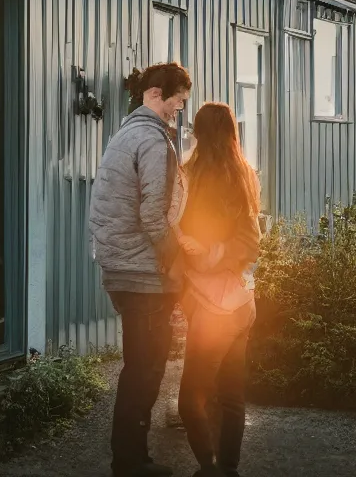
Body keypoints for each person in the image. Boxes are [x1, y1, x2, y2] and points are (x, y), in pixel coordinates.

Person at [89, 63, 192, 477]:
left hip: (121, 266)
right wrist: (179, 262)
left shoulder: (125, 133)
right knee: (144, 370)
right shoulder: (151, 139)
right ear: (155, 94)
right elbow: (154, 215)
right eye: (178, 101)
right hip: (142, 273)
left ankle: (133, 457)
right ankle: (129, 462)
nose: (179, 111)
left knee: (141, 366)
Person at [176, 102, 261, 477]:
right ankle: (228, 469)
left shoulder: (189, 178)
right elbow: (251, 243)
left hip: (210, 306)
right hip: (241, 301)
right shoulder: (245, 175)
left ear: (197, 134)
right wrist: (224, 255)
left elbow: (177, 239)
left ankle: (210, 467)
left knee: (190, 400)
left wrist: (205, 256)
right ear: (232, 133)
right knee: (230, 396)